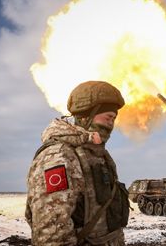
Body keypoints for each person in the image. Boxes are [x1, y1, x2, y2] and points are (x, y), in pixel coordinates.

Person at [25, 81, 130, 245]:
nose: (111, 124)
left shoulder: (95, 154)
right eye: (108, 117)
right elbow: (52, 234)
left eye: (114, 118)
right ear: (85, 116)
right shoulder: (59, 156)